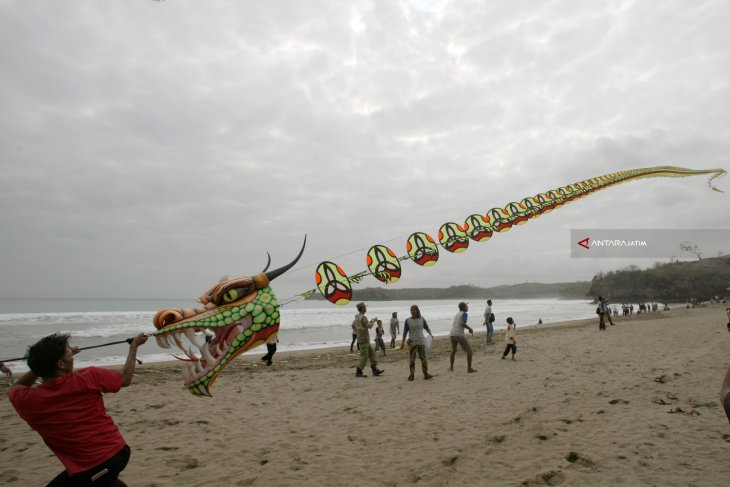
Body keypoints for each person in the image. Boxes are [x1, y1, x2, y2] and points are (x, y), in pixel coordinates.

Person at [7, 332, 148, 486]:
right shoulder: (88, 377)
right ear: (60, 364)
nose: (72, 355)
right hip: (112, 455)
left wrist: (41, 365)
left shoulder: (25, 400)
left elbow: (17, 387)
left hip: (104, 459)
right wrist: (134, 346)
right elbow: (125, 379)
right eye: (69, 352)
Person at [400, 304, 434, 381]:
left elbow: (426, 328)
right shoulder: (407, 321)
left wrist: (431, 334)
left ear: (417, 310)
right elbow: (405, 332)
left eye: (413, 310)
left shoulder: (422, 319)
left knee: (423, 359)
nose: (412, 311)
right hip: (412, 342)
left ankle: (426, 374)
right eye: (411, 310)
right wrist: (402, 343)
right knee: (412, 359)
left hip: (421, 341)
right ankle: (411, 375)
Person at [353, 303, 384, 378]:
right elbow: (369, 326)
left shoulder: (357, 317)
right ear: (362, 308)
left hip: (363, 339)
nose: (366, 308)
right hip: (363, 340)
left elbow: (353, 326)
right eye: (364, 307)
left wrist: (358, 333)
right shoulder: (363, 317)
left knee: (372, 354)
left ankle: (375, 370)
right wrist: (373, 320)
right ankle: (358, 371)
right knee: (364, 356)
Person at [449, 302, 476, 373]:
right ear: (463, 307)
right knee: (469, 350)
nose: (467, 307)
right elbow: (462, 323)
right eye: (466, 306)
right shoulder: (464, 314)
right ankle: (469, 368)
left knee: (453, 351)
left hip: (452, 333)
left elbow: (457, 323)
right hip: (459, 334)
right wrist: (470, 329)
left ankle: (451, 367)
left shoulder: (456, 314)